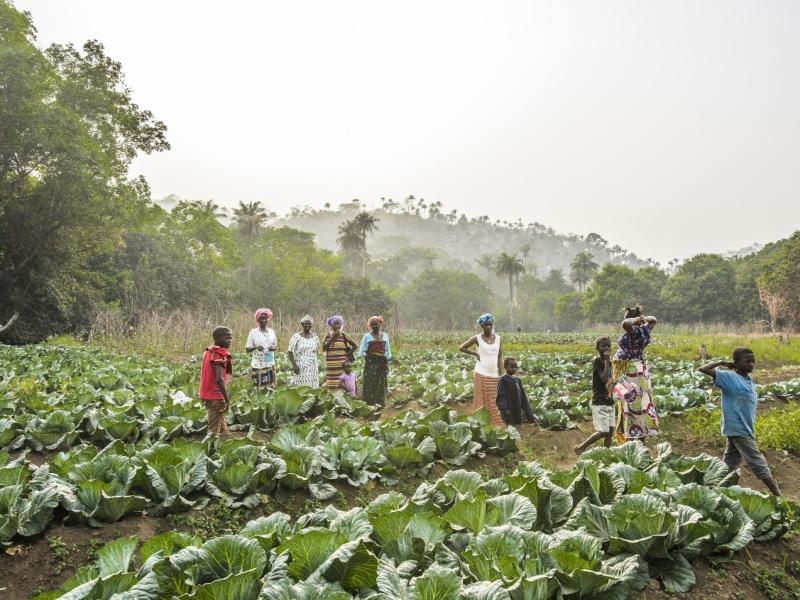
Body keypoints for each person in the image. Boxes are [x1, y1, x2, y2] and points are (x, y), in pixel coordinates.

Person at [699, 348, 781, 495]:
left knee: (729, 463)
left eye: (753, 361)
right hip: (737, 427)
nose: (751, 364)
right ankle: (778, 495)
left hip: (745, 427)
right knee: (757, 462)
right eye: (747, 361)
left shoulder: (748, 379)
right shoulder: (728, 377)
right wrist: (722, 362)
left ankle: (712, 491)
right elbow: (703, 368)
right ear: (736, 363)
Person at [610, 306, 659, 442]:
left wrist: (637, 320)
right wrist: (644, 319)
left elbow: (625, 323)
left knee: (630, 403)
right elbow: (653, 320)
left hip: (630, 372)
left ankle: (633, 436)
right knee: (640, 402)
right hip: (637, 370)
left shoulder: (634, 330)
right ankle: (637, 435)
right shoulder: (644, 330)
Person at [460, 313, 504, 426]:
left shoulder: (498, 339)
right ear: (482, 326)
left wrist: (501, 373)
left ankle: (496, 423)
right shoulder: (477, 338)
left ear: (493, 325)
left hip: (493, 373)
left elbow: (499, 356)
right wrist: (475, 353)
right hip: (481, 372)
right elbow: (462, 347)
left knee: (494, 399)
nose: (488, 327)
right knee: (481, 399)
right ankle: (481, 423)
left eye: (490, 324)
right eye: (485, 325)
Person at [574, 336, 614, 455]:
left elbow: (611, 380)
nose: (606, 348)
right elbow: (603, 379)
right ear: (597, 348)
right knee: (603, 431)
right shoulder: (597, 360)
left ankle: (606, 454)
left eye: (608, 346)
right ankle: (581, 447)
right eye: (603, 346)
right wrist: (607, 361)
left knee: (610, 432)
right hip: (599, 400)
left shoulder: (610, 362)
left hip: (609, 400)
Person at [199, 326, 233, 438]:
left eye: (231, 338)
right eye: (227, 338)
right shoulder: (218, 354)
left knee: (222, 426)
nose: (230, 341)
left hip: (207, 393)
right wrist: (227, 400)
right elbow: (219, 379)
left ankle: (225, 442)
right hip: (215, 395)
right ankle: (211, 451)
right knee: (213, 430)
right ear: (217, 339)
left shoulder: (208, 351)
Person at [358, 316, 392, 406]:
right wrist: (366, 357)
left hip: (381, 362)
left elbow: (387, 349)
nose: (374, 326)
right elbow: (362, 351)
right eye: (372, 325)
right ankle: (369, 402)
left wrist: (387, 359)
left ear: (380, 324)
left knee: (380, 382)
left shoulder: (384, 336)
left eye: (375, 324)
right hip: (370, 361)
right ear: (370, 326)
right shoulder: (367, 336)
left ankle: (380, 402)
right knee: (370, 381)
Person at [496, 357, 535, 426]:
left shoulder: (517, 380)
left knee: (517, 427)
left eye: (515, 367)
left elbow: (523, 399)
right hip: (508, 411)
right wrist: (503, 408)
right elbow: (501, 395)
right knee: (510, 428)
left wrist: (530, 416)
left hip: (517, 410)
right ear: (505, 367)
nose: (514, 369)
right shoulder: (503, 380)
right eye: (511, 367)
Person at [245, 308, 278, 391]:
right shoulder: (253, 332)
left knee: (271, 388)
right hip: (258, 365)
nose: (263, 320)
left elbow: (275, 345)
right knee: (259, 388)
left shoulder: (271, 332)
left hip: (270, 363)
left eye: (265, 318)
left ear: (268, 319)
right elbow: (247, 349)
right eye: (261, 318)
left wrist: (273, 348)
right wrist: (256, 347)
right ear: (257, 320)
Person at [323, 315, 357, 390]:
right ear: (331, 325)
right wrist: (333, 338)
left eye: (339, 324)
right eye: (335, 324)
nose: (337, 326)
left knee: (341, 382)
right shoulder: (328, 335)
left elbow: (355, 345)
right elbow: (324, 348)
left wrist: (348, 355)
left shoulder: (343, 335)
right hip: (331, 365)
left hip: (342, 364)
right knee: (332, 382)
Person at [287, 315, 321, 388]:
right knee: (301, 386)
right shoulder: (296, 337)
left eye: (309, 324)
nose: (307, 325)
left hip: (312, 366)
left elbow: (317, 350)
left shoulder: (315, 337)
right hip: (300, 365)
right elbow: (290, 352)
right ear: (302, 324)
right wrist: (294, 365)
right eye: (305, 323)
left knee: (313, 385)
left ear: (311, 325)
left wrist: (312, 359)